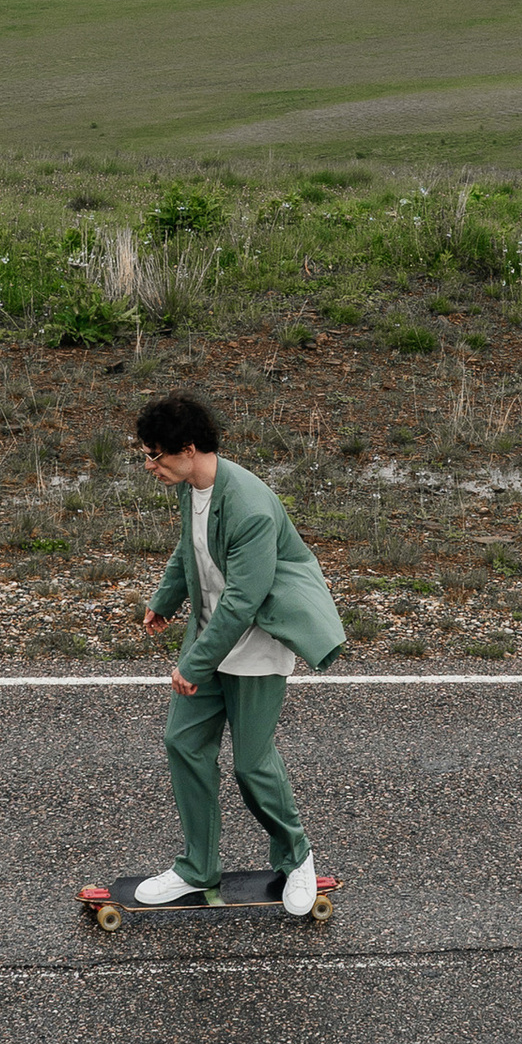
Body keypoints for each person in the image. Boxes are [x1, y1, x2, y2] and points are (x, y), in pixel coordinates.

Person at [131, 390, 345, 911]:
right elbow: (191, 546)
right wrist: (166, 599)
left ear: (187, 448)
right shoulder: (191, 487)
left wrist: (193, 663)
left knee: (252, 765)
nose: (149, 465)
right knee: (184, 742)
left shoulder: (248, 505)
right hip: (211, 633)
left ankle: (297, 859)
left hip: (254, 642)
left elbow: (245, 601)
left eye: (154, 454)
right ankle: (196, 868)